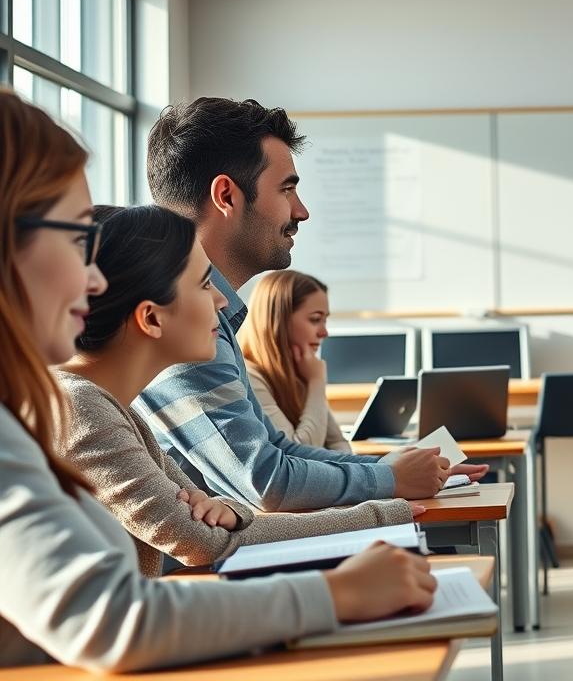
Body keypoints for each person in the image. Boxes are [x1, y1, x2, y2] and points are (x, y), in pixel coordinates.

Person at [0, 89, 435, 671]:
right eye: (78, 239)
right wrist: (344, 586)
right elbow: (117, 614)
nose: (94, 279)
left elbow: (222, 514)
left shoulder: (59, 408)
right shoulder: (72, 409)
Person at [133, 97, 484, 511]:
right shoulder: (177, 323)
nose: (302, 211)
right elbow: (264, 482)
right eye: (287, 189)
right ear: (226, 195)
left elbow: (277, 449)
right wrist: (388, 478)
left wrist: (390, 468)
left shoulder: (209, 317)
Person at [54, 206, 414, 577]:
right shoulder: (80, 408)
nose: (222, 301)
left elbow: (214, 518)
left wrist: (230, 511)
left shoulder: (114, 408)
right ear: (152, 318)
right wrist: (381, 515)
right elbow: (202, 541)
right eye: (204, 284)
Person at [239, 270, 351, 452]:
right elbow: (301, 454)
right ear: (279, 320)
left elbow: (338, 442)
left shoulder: (300, 371)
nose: (324, 332)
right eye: (315, 319)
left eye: (325, 320)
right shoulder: (249, 378)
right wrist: (316, 382)